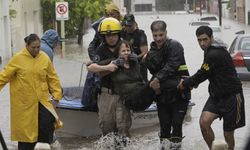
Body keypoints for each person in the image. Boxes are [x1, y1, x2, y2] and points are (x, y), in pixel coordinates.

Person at [177, 26, 245, 150]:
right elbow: (207, 71)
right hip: (216, 96)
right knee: (204, 122)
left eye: (205, 39)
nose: (202, 43)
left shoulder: (215, 53)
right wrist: (193, 83)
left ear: (211, 38)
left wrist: (186, 83)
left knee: (228, 132)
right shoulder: (209, 50)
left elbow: (202, 74)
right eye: (199, 40)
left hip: (232, 96)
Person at [0, 34, 63, 150]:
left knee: (48, 122)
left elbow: (53, 78)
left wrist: (57, 96)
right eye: (33, 47)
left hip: (42, 101)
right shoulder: (17, 59)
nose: (36, 50)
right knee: (26, 138)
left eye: (38, 47)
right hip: (24, 105)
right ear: (27, 46)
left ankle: (45, 146)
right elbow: (3, 77)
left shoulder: (44, 58)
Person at [144, 20, 190, 149]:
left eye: (161, 35)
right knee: (164, 127)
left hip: (180, 93)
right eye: (155, 35)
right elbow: (152, 69)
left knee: (176, 125)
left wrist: (157, 79)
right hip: (162, 95)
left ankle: (176, 147)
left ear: (166, 33)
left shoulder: (175, 45)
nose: (158, 38)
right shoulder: (152, 51)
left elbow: (172, 65)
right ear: (152, 35)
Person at [87, 17, 122, 136]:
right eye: (108, 36)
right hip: (106, 93)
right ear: (103, 37)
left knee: (123, 128)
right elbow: (92, 67)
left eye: (113, 35)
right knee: (107, 127)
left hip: (123, 93)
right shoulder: (100, 50)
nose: (111, 38)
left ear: (118, 34)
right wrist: (107, 67)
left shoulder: (125, 47)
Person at [121, 14, 148, 82]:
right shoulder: (121, 33)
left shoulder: (140, 34)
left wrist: (137, 57)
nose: (128, 28)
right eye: (127, 26)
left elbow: (145, 52)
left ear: (134, 23)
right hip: (124, 62)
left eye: (130, 25)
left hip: (138, 63)